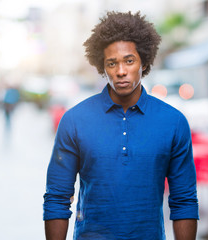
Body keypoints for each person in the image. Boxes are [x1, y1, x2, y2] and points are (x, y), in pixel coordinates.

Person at [43, 11, 199, 240]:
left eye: (129, 60)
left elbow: (184, 200)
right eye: (112, 63)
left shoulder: (173, 122)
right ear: (102, 67)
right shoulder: (75, 120)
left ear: (143, 61)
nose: (121, 71)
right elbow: (57, 197)